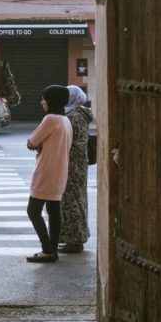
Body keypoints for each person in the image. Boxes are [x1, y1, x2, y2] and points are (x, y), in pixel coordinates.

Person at [25, 85, 72, 263]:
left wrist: (36, 144)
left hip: (46, 171)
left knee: (33, 210)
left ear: (51, 100)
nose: (42, 101)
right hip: (60, 172)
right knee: (53, 211)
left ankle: (47, 249)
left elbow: (31, 142)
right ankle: (52, 250)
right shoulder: (65, 120)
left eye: (44, 98)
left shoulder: (50, 119)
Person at [59, 85, 93, 253]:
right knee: (78, 199)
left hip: (72, 163)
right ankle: (75, 238)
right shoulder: (81, 114)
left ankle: (75, 240)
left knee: (72, 202)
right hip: (80, 163)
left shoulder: (72, 116)